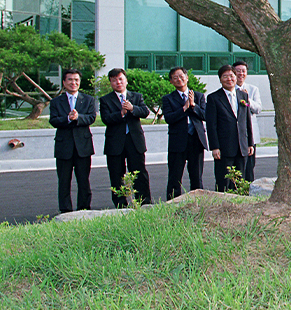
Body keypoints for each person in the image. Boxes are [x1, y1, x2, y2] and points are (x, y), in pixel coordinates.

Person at [99, 68, 152, 207]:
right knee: (116, 174)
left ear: (126, 80)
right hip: (115, 142)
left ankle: (144, 201)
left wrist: (132, 108)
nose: (118, 82)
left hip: (135, 141)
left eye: (120, 79)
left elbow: (145, 112)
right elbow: (106, 119)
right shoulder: (105, 100)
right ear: (110, 83)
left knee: (139, 172)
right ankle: (121, 204)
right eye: (114, 80)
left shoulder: (136, 96)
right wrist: (121, 113)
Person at [49, 69, 96, 213]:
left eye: (76, 80)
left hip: (83, 146)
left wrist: (78, 117)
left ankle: (84, 209)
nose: (73, 83)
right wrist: (68, 118)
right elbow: (54, 120)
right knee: (64, 181)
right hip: (64, 146)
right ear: (64, 82)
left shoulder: (88, 100)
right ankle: (65, 211)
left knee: (83, 180)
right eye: (70, 80)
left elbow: (91, 118)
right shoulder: (56, 101)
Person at [162, 67, 208, 199]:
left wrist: (193, 105)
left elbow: (205, 115)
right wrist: (184, 108)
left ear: (187, 78)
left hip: (196, 140)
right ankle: (172, 203)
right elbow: (169, 118)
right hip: (178, 141)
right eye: (175, 77)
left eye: (181, 76)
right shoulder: (168, 99)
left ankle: (198, 202)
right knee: (175, 176)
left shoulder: (198, 96)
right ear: (171, 81)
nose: (179, 79)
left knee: (196, 176)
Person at [206, 65, 254, 191]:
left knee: (240, 180)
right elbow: (211, 125)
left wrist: (250, 143)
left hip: (242, 146)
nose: (229, 79)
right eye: (225, 76)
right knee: (223, 180)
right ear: (220, 79)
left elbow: (247, 121)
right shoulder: (213, 98)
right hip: (224, 147)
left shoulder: (243, 96)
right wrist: (215, 147)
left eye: (232, 76)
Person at [233, 61, 262, 181]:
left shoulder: (252, 89)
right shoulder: (228, 89)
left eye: (243, 71)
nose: (241, 74)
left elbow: (258, 109)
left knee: (249, 166)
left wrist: (246, 99)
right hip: (234, 134)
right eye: (238, 71)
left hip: (249, 134)